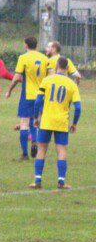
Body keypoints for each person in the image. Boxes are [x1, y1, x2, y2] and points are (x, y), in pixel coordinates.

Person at [29, 56, 81, 190]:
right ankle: (61, 182)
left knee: (41, 149)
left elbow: (37, 101)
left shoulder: (47, 80)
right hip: (62, 121)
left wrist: (36, 117)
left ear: (57, 66)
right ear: (68, 68)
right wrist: (74, 123)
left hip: (46, 120)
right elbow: (78, 107)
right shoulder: (72, 84)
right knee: (61, 150)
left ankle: (37, 181)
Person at [6, 36, 47, 160]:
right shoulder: (44, 58)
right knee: (36, 122)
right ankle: (35, 141)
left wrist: (9, 90)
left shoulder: (23, 58)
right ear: (36, 45)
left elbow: (17, 77)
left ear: (25, 45)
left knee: (24, 123)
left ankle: (24, 154)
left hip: (28, 95)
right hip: (41, 95)